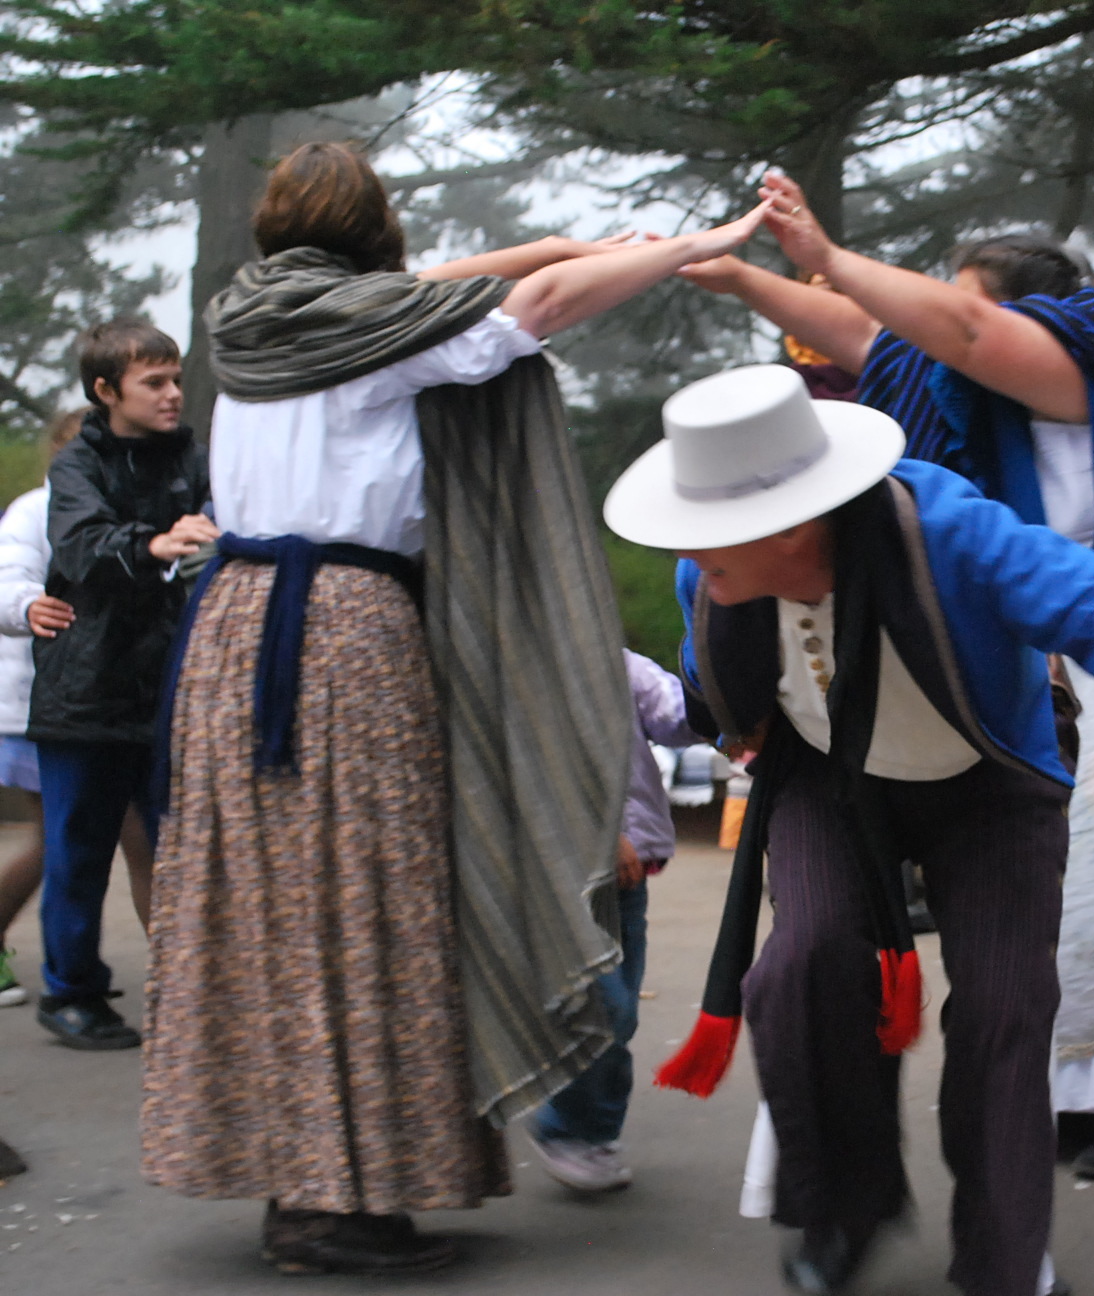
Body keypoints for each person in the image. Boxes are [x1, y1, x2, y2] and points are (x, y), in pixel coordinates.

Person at [139, 140, 770, 1275]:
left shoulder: (251, 320)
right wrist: (691, 245)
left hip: (232, 635)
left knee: (273, 913)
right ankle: (341, 1198)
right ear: (373, 234)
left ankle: (299, 1183)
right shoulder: (370, 334)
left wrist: (566, 243)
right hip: (340, 634)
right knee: (368, 910)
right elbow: (538, 307)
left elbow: (438, 286)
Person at [679, 173, 1094, 1184]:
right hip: (1065, 657)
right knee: (1068, 913)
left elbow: (963, 332)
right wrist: (741, 278)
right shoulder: (969, 381)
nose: (932, 315)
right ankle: (1087, 1097)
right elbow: (876, 340)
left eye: (959, 296)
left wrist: (824, 256)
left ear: (1034, 309)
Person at [614, 362, 1094, 1296]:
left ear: (790, 525)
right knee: (803, 965)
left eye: (707, 529)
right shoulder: (713, 571)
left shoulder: (946, 530)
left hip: (988, 782)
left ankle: (1004, 1255)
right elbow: (712, 687)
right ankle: (842, 1207)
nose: (686, 548)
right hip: (827, 776)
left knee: (1004, 1008)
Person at [27, 322, 208, 1049]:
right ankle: (71, 992)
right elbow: (80, 545)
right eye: (153, 382)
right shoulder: (76, 466)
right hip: (86, 694)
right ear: (106, 391)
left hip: (171, 690)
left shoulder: (191, 457)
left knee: (183, 846)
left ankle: (195, 989)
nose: (172, 394)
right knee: (79, 852)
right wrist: (155, 544)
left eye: (176, 379)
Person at [527, 648, 699, 1193]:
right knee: (602, 1006)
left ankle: (593, 1133)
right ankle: (565, 1130)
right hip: (559, 869)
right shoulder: (525, 668)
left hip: (625, 881)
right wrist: (605, 836)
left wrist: (721, 679)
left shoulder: (618, 664)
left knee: (619, 1015)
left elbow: (677, 717)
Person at [0, 410, 154, 1008]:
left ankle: (175, 982)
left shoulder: (125, 508)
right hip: (39, 711)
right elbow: (11, 581)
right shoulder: (34, 512)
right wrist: (27, 606)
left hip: (105, 708)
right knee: (70, 843)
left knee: (129, 843)